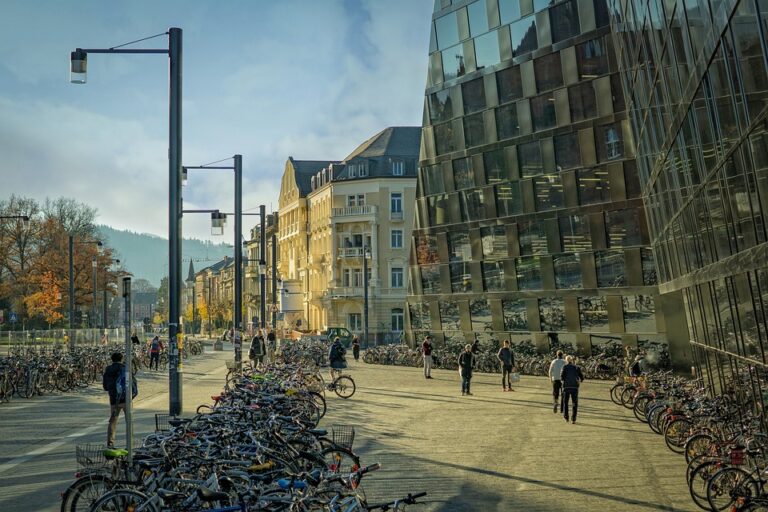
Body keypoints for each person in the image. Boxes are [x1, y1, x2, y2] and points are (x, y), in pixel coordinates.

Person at [102, 352, 125, 448]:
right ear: (121, 359)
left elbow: (105, 387)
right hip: (125, 398)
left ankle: (110, 444)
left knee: (113, 421)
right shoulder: (124, 368)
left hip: (113, 399)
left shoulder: (108, 369)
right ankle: (129, 443)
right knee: (129, 420)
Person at [560, 355, 585, 424]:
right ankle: (573, 419)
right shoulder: (577, 367)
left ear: (566, 360)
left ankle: (566, 417)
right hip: (575, 387)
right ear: (572, 360)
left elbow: (562, 377)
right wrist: (580, 380)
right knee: (575, 403)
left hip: (566, 387)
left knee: (565, 402)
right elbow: (582, 377)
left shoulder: (564, 367)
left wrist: (563, 381)